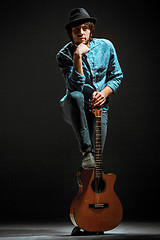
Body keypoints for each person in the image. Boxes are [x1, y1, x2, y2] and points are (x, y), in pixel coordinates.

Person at [56, 8, 123, 170]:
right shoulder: (64, 55)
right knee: (76, 96)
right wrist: (77, 56)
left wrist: (104, 93)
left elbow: (117, 76)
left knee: (96, 156)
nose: (81, 33)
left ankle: (86, 182)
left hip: (99, 106)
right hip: (74, 105)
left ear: (90, 30)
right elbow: (74, 87)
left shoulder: (106, 46)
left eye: (85, 28)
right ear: (70, 33)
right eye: (76, 30)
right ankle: (85, 151)